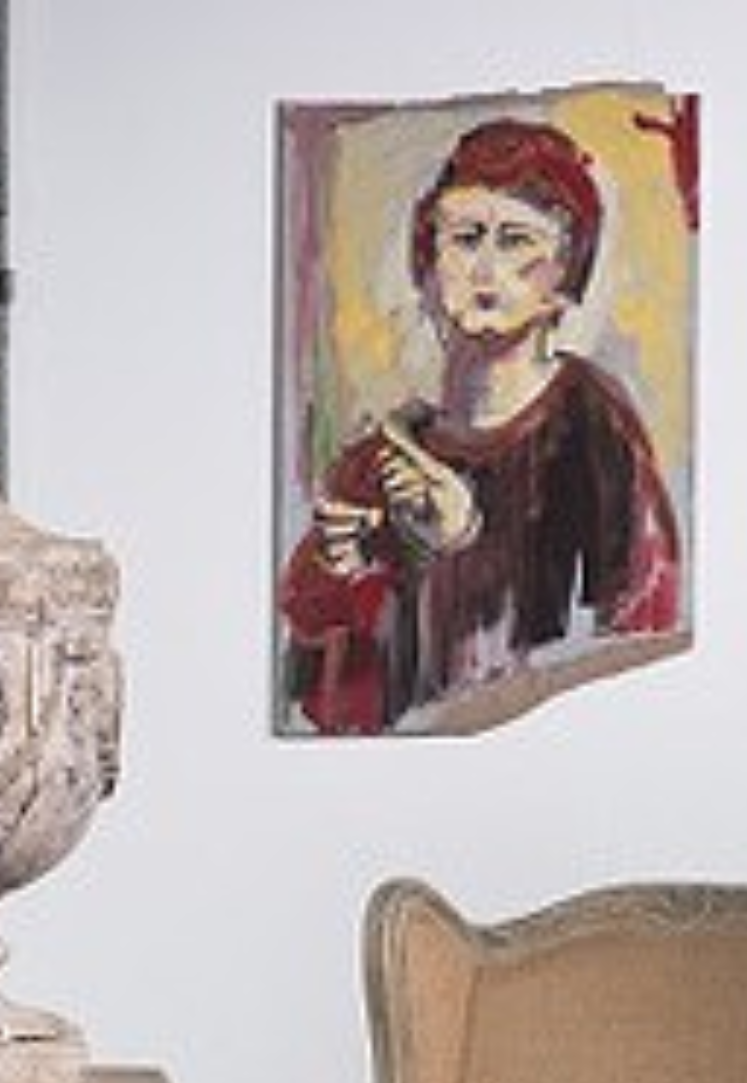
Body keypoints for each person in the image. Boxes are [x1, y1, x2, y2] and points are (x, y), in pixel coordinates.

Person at [280, 118, 682, 735]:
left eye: (517, 241)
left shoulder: (595, 425)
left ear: (566, 277)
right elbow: (324, 701)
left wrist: (465, 536)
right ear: (427, 266)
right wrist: (349, 575)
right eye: (466, 239)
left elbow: (643, 630)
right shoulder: (376, 464)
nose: (486, 269)